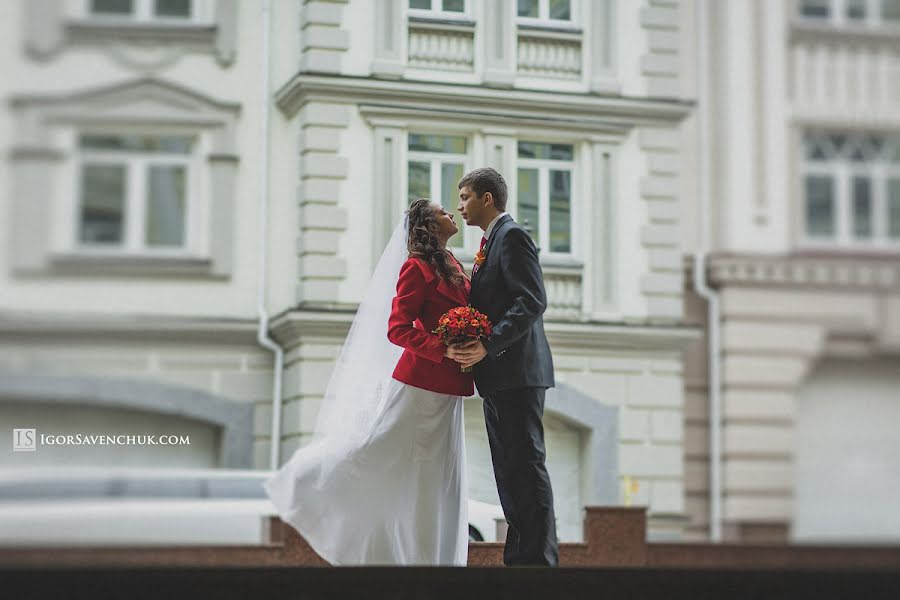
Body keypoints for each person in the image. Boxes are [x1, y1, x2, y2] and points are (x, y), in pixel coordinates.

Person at [263, 198, 475, 566]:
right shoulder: (415, 268)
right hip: (417, 386)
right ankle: (306, 483)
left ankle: (428, 560)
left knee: (435, 479)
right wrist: (444, 348)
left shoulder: (455, 264)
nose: (451, 214)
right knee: (379, 454)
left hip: (449, 390)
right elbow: (398, 329)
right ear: (429, 224)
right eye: (443, 211)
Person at [454, 167, 559, 567]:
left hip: (517, 374)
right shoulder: (489, 242)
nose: (460, 206)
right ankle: (520, 562)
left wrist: (487, 344)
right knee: (510, 472)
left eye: (465, 197)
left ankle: (538, 563)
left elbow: (531, 300)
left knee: (526, 468)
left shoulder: (511, 236)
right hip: (499, 378)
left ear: (487, 198)